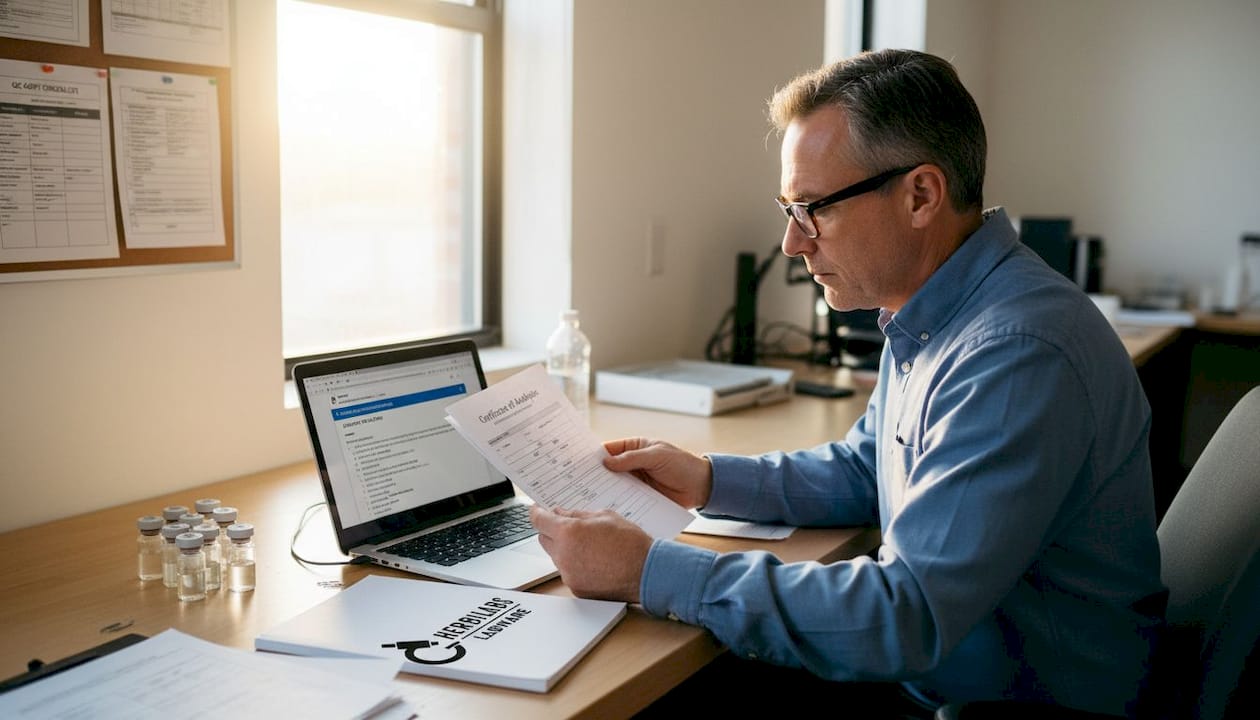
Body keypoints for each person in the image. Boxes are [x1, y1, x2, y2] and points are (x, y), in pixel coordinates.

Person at [531, 49, 1166, 718]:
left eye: (813, 209)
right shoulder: (934, 307)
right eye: (787, 209)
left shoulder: (1014, 354)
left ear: (921, 195)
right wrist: (711, 479)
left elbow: (906, 617)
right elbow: (870, 467)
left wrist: (647, 570)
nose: (791, 244)